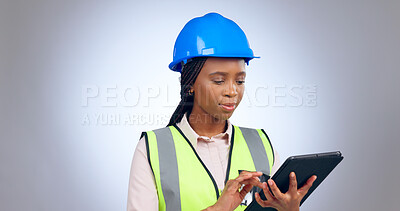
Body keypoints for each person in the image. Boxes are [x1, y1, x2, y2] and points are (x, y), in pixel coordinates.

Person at [127, 12, 317, 211]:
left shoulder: (261, 143)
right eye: (219, 80)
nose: (232, 91)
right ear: (189, 83)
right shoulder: (152, 149)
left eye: (240, 81)